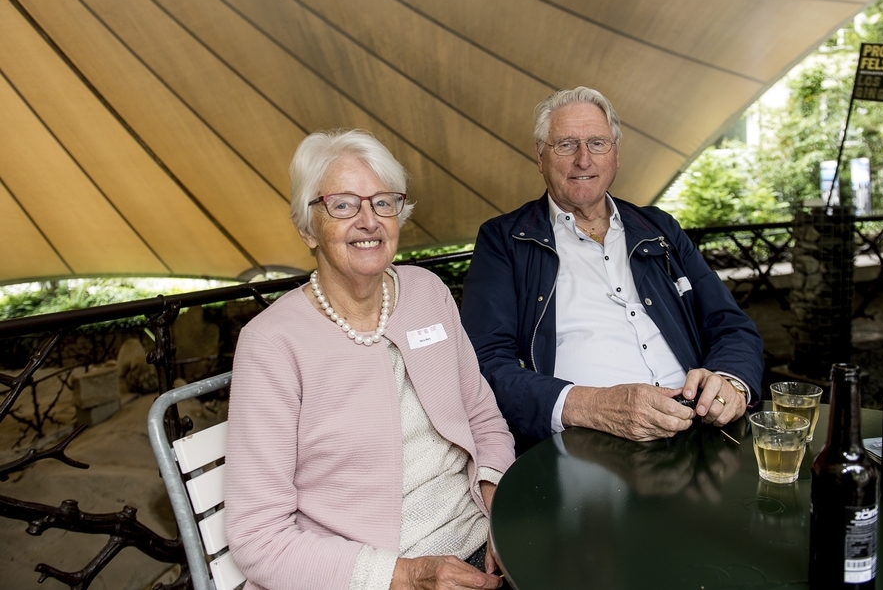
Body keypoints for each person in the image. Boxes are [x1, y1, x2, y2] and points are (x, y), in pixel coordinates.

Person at [225, 130, 514, 590]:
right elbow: (258, 537)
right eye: (343, 205)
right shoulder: (271, 344)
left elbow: (481, 414)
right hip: (372, 574)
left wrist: (500, 506)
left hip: (480, 540)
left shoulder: (426, 292)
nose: (368, 221)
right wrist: (406, 575)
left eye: (382, 202)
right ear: (306, 227)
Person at [461, 87, 764, 451]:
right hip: (588, 445)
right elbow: (484, 363)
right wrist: (590, 406)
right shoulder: (505, 240)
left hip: (699, 431)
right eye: (566, 144)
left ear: (616, 155)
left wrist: (731, 382)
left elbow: (731, 325)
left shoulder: (659, 229)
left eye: (598, 143)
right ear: (540, 156)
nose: (584, 160)